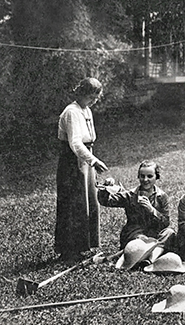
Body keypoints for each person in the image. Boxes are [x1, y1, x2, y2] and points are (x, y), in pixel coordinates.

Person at [55, 77, 108, 262]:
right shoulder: (71, 112)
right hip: (72, 161)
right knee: (73, 203)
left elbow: (87, 139)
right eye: (91, 97)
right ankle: (68, 250)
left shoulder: (86, 110)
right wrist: (93, 161)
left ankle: (83, 244)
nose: (94, 101)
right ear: (82, 93)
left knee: (87, 201)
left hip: (84, 159)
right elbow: (75, 143)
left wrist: (90, 160)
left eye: (96, 98)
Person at [98, 160, 174, 255]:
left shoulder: (162, 196)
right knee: (140, 240)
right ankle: (152, 252)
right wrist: (105, 188)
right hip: (135, 233)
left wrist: (151, 210)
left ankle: (150, 255)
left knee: (169, 233)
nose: (145, 180)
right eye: (142, 176)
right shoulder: (130, 195)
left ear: (156, 177)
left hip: (154, 232)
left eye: (150, 176)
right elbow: (106, 201)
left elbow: (165, 223)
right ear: (138, 177)